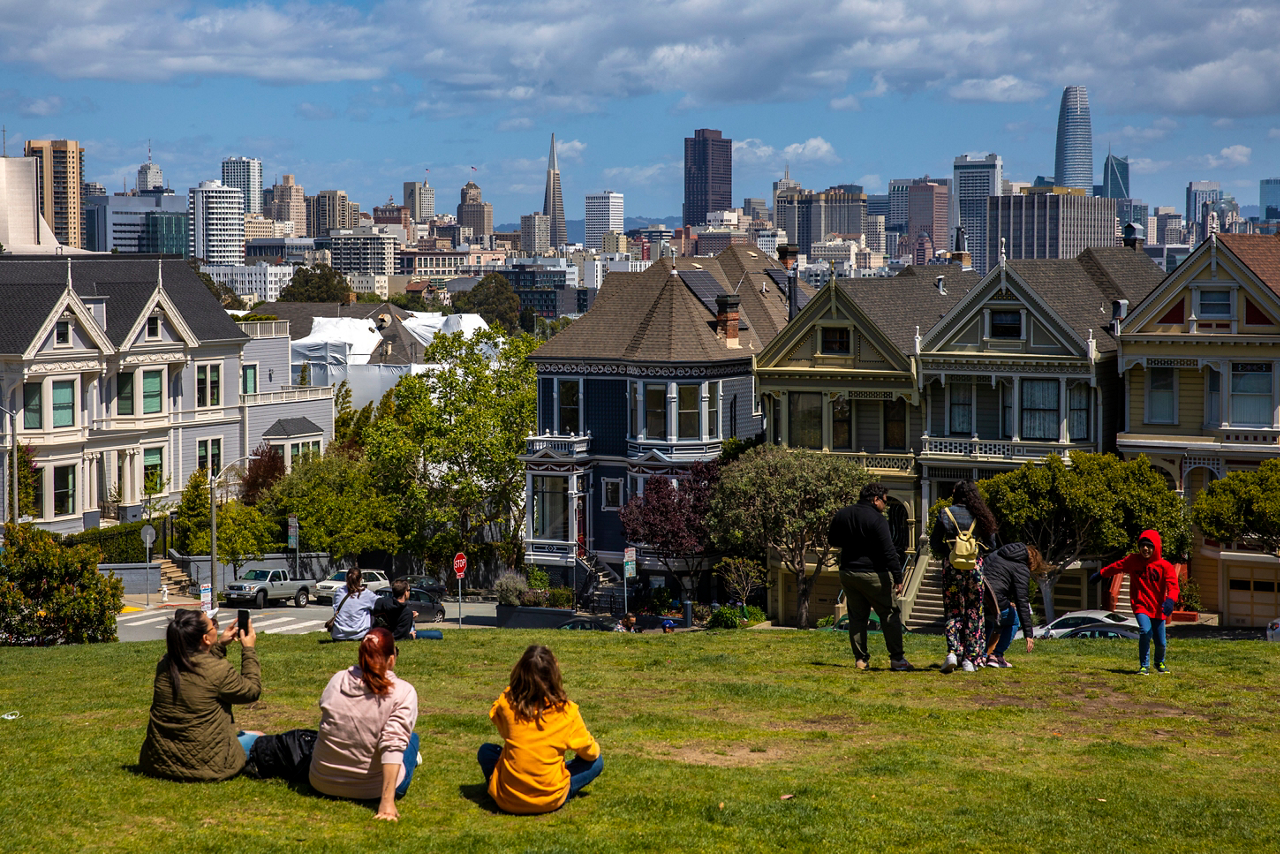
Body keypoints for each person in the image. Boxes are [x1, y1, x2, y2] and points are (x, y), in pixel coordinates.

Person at [309, 627, 420, 821]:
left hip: (321, 781)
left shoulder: (337, 680)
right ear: (391, 659)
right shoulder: (403, 692)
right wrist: (387, 804)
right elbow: (392, 744)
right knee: (412, 740)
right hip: (371, 789)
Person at [478, 644, 603, 814]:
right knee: (597, 762)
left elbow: (496, 717)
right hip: (550, 800)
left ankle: (504, 786)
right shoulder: (567, 711)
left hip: (507, 799)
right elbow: (591, 753)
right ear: (554, 675)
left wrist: (510, 691)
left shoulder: (507, 705)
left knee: (486, 751)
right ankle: (550, 782)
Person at [138, 608, 261, 781]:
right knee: (257, 736)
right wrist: (249, 650)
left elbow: (198, 666)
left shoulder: (166, 663)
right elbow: (252, 691)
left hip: (159, 761)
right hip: (207, 765)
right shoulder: (218, 670)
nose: (216, 629)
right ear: (205, 638)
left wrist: (218, 645)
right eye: (213, 626)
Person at [827, 483, 914, 671]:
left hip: (848, 573)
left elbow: (832, 540)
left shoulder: (842, 514)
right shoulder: (877, 519)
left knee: (857, 617)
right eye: (884, 500)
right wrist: (898, 577)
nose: (885, 505)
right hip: (874, 573)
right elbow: (889, 550)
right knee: (889, 614)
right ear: (875, 499)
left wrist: (852, 542)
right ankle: (897, 659)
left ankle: (860, 659)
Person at [931, 480, 999, 673]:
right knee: (974, 612)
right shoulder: (981, 515)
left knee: (953, 610)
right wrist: (974, 552)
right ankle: (970, 658)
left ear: (955, 493)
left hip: (952, 568)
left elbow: (935, 543)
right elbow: (991, 545)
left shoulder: (946, 513)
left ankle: (953, 652)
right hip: (974, 569)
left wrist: (952, 551)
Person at [1092, 530, 1179, 675]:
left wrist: (1170, 600)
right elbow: (1116, 566)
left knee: (1161, 642)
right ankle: (1144, 666)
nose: (1145, 549)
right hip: (1140, 605)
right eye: (1142, 545)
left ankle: (1159, 662)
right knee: (1145, 631)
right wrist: (1101, 574)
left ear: (1156, 547)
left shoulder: (1165, 566)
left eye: (1149, 546)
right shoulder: (1133, 561)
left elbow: (1173, 586)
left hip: (1158, 608)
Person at [979, 544, 1040, 668]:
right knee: (1013, 621)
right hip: (996, 600)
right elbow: (1022, 600)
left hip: (978, 596)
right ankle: (997, 656)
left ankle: (981, 655)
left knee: (988, 621)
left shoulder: (995, 555)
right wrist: (1028, 634)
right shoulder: (1021, 568)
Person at [329, 570, 378, 641]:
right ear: (361, 579)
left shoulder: (339, 591)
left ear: (346, 579)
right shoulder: (365, 593)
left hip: (338, 635)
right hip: (359, 635)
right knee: (372, 610)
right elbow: (379, 602)